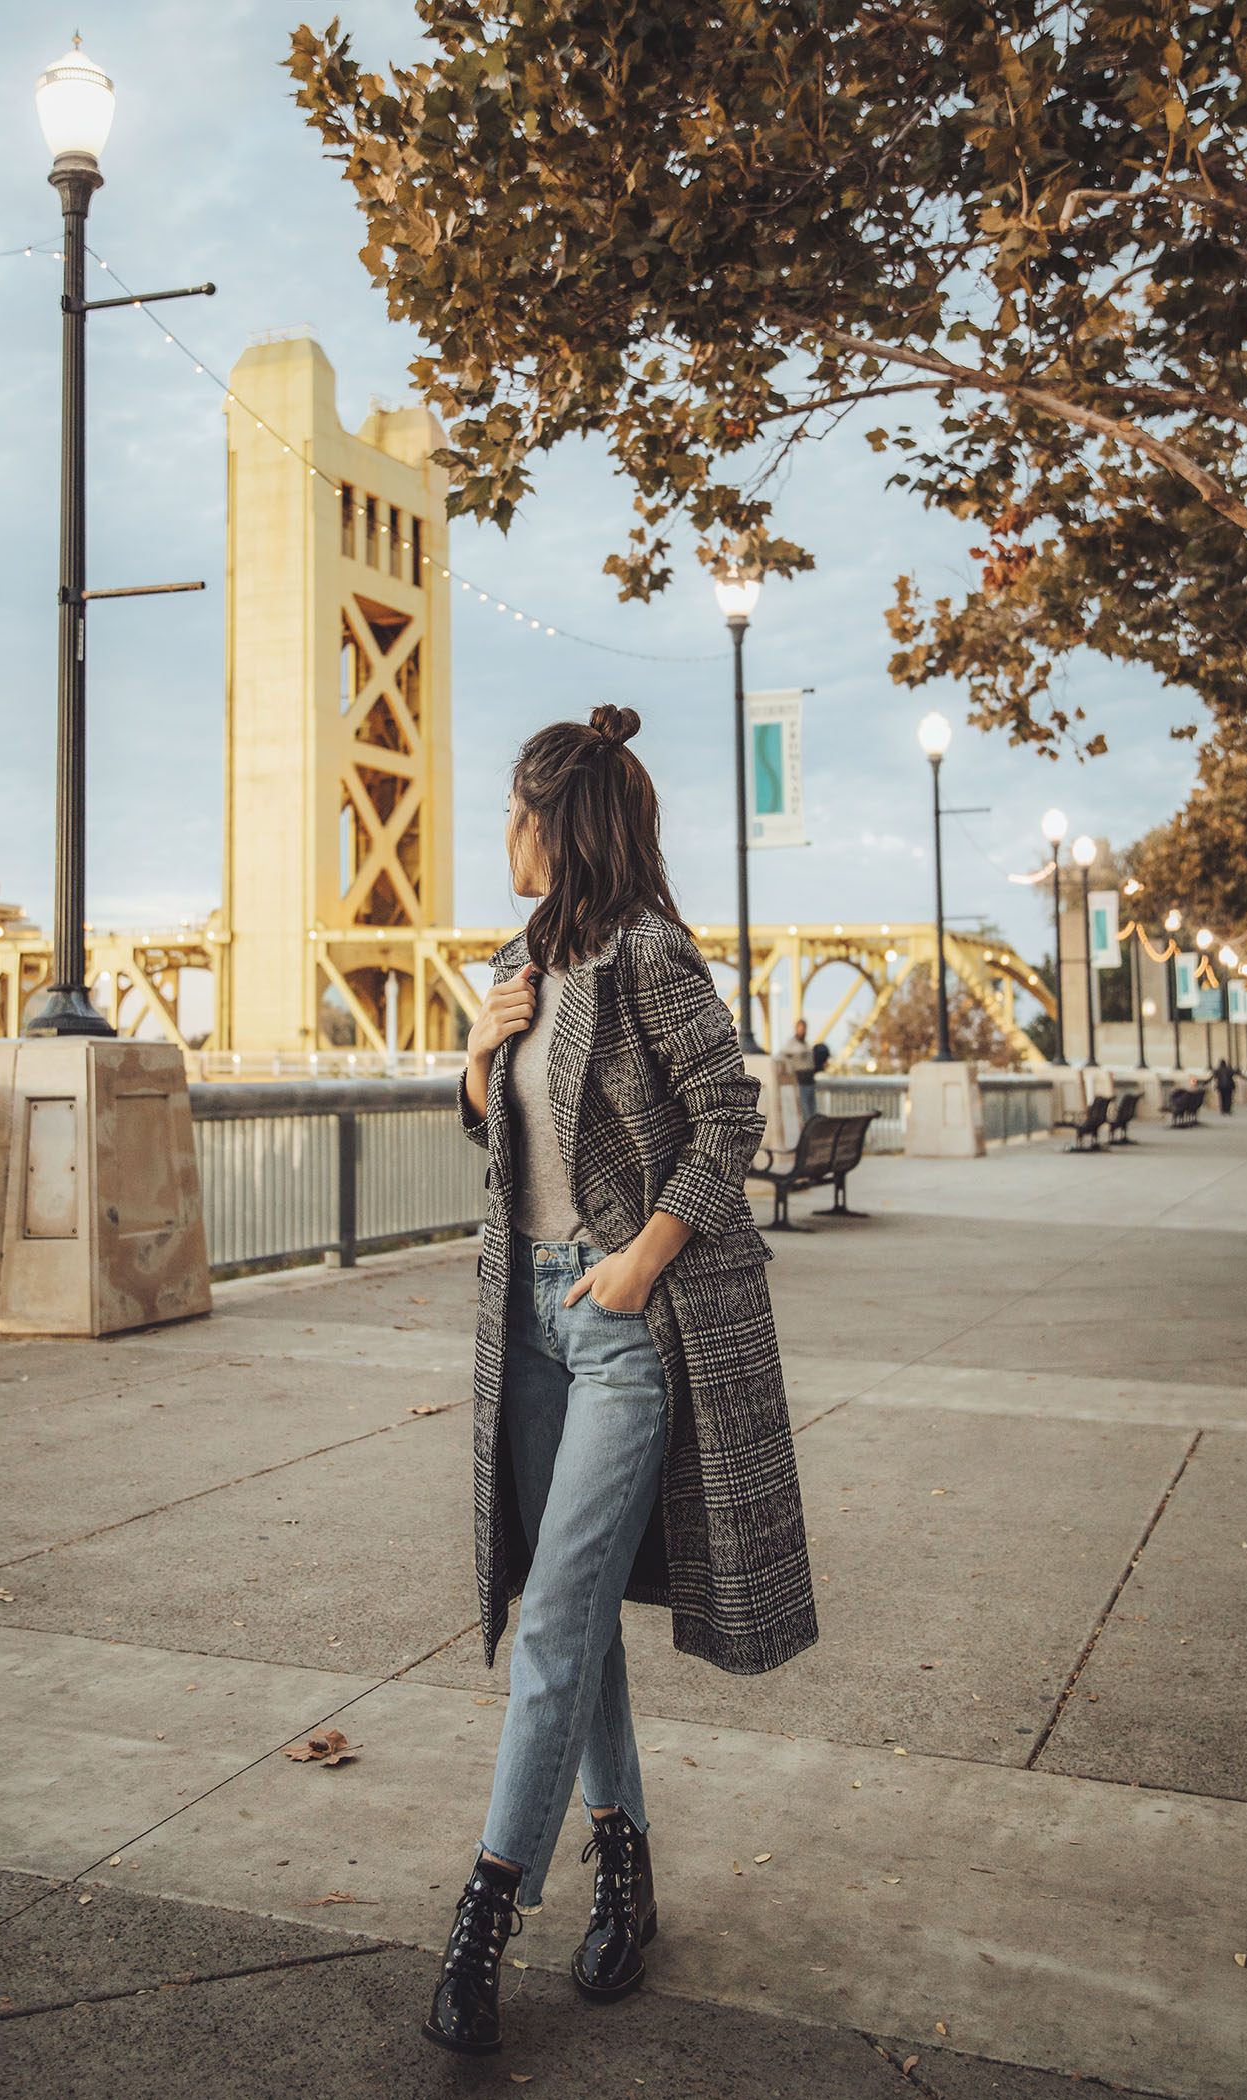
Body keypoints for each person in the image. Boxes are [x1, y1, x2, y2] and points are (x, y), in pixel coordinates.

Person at [427, 703, 817, 2058]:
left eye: (511, 814)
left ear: (559, 819)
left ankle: (484, 1914)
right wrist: (480, 1055)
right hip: (523, 1322)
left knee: (551, 1633)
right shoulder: (517, 957)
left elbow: (731, 1114)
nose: (501, 836)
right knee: (566, 1610)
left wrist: (647, 1258)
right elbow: (492, 1132)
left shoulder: (651, 955)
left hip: (617, 1327)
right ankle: (627, 1869)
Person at [783, 1016, 818, 1126]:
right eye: (801, 1028)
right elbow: (783, 1057)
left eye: (804, 1028)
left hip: (810, 1080)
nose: (803, 1030)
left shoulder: (807, 1044)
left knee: (812, 1111)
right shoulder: (792, 1044)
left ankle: (812, 1132)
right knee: (805, 1111)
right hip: (800, 1081)